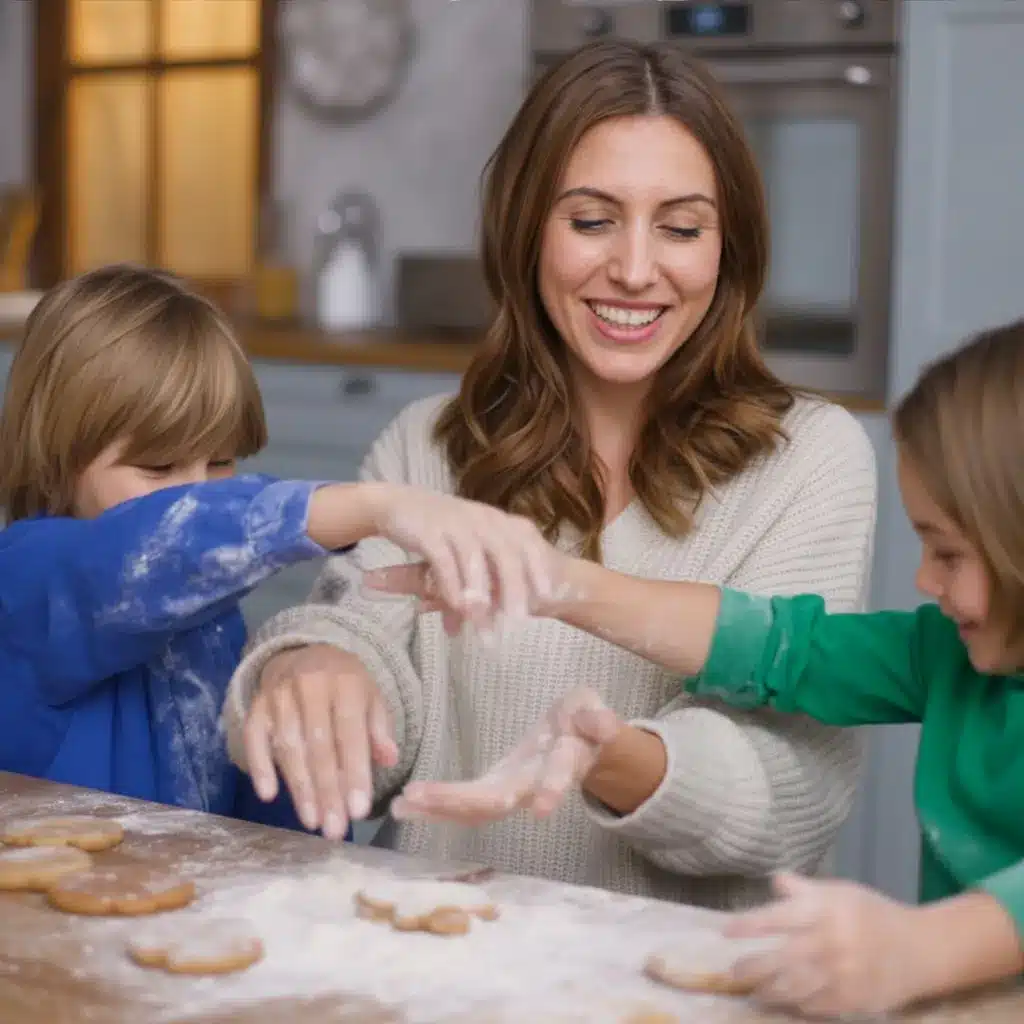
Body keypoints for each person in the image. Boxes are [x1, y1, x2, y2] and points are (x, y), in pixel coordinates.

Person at [222, 39, 878, 907]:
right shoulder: (428, 448)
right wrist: (309, 668)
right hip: (439, 963)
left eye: (680, 228)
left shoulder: (813, 460)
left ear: (729, 249)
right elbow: (362, 639)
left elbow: (794, 796)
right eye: (592, 220)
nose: (636, 270)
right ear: (528, 228)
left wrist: (604, 756)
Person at [375, 319, 1024, 1018]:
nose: (925, 579)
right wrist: (557, 584)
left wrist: (921, 948)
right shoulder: (947, 652)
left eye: (949, 553)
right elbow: (777, 644)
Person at [0, 264, 560, 838]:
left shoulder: (211, 621)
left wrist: (301, 754)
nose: (198, 490)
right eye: (158, 466)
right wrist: (372, 507)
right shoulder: (25, 581)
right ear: (58, 461)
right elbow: (143, 552)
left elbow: (259, 819)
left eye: (220, 461)